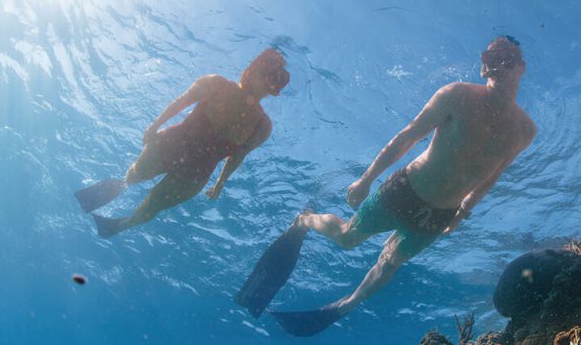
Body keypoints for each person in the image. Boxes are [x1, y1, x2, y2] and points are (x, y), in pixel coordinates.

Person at [246, 36, 536, 336]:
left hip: (439, 216)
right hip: (405, 191)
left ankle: (347, 304)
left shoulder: (525, 130)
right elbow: (408, 136)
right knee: (348, 238)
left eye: (508, 56)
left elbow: (493, 175)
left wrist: (463, 212)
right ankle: (305, 219)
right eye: (490, 56)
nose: (498, 63)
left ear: (522, 67)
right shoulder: (456, 94)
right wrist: (367, 179)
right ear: (482, 68)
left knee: (391, 261)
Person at [74, 48, 290, 238]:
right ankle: (118, 186)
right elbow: (181, 102)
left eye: (278, 78)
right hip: (170, 144)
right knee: (135, 175)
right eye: (268, 72)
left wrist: (220, 183)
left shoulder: (263, 127)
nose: (271, 80)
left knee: (153, 204)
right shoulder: (216, 83)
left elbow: (239, 156)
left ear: (277, 90)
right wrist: (155, 125)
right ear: (252, 69)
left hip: (194, 176)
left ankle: (118, 226)